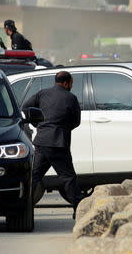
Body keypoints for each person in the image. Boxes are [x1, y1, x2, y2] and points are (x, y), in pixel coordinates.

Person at [22, 71, 83, 218]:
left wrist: (37, 124)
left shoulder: (42, 94)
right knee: (68, 177)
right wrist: (63, 128)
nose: (71, 86)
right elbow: (76, 121)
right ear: (66, 83)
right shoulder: (71, 98)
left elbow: (25, 107)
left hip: (42, 142)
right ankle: (79, 210)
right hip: (59, 144)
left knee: (33, 177)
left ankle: (22, 208)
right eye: (71, 83)